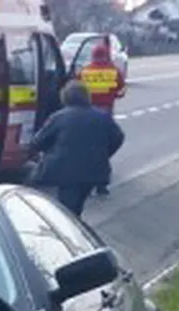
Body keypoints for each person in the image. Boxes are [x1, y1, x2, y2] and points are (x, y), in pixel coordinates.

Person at [28, 80, 125, 217]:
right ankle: (75, 226)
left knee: (66, 208)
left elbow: (37, 142)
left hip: (65, 171)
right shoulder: (102, 116)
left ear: (65, 97)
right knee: (77, 205)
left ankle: (69, 231)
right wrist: (103, 154)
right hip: (94, 170)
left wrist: (49, 151)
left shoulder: (59, 117)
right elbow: (118, 138)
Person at [77, 42, 126, 197]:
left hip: (86, 113)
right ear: (106, 55)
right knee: (102, 148)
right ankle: (101, 185)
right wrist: (112, 95)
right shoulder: (113, 71)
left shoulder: (85, 72)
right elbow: (121, 91)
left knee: (85, 147)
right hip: (105, 113)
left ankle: (84, 180)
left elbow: (76, 89)